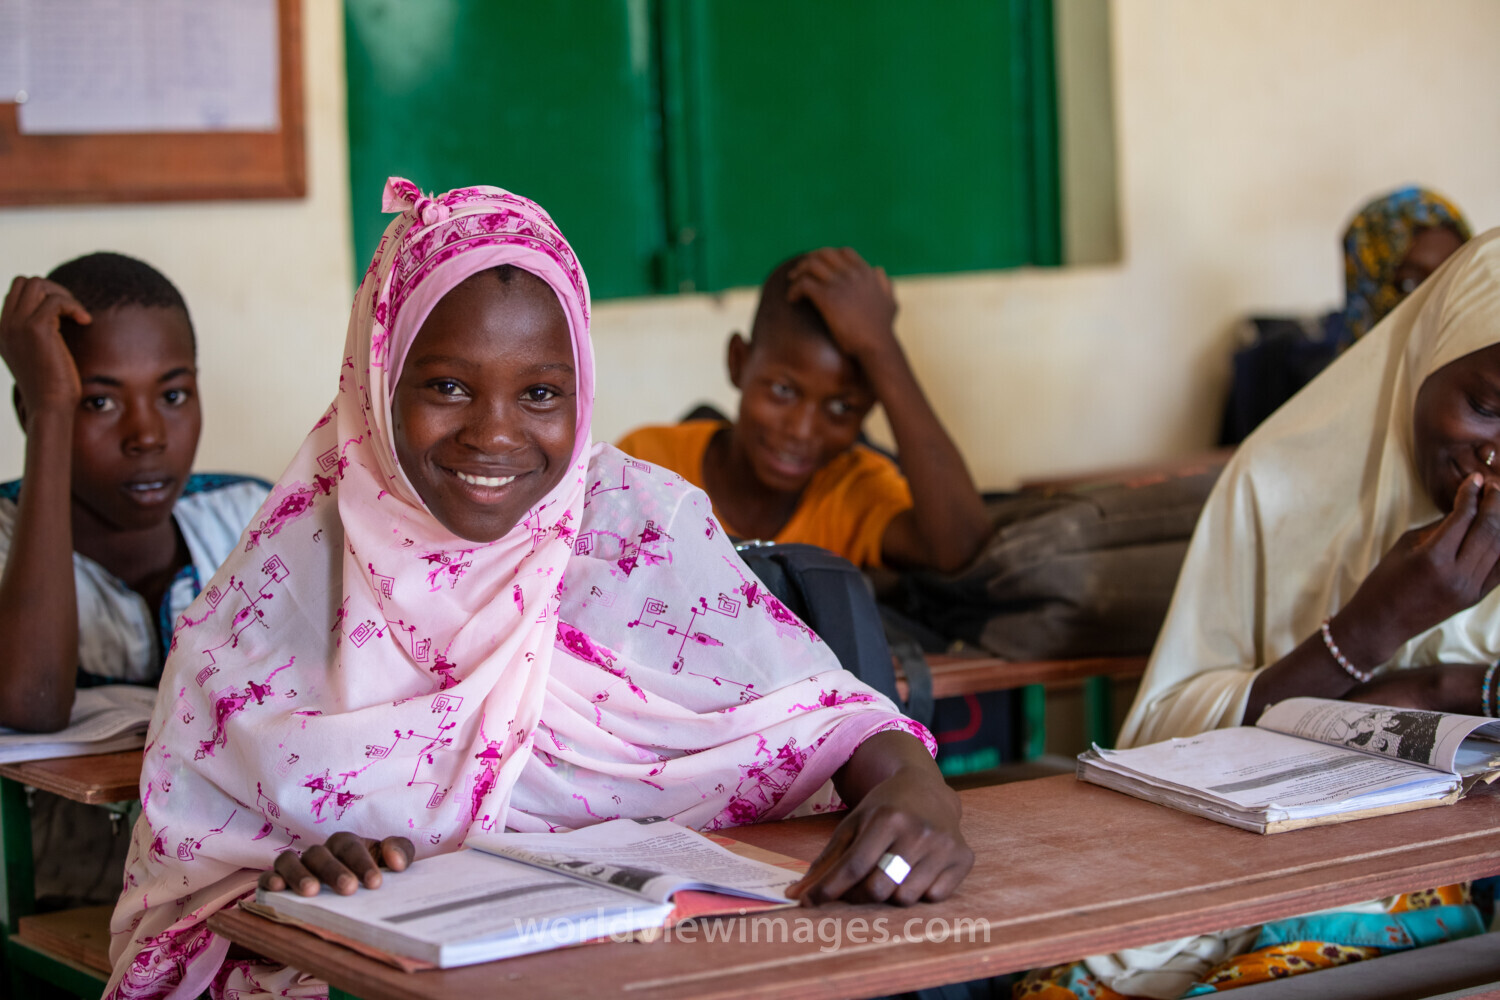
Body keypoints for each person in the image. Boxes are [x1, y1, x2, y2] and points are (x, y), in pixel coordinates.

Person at [105, 180, 971, 1000]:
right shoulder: (280, 584)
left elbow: (818, 713)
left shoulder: (636, 528)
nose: (494, 434)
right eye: (447, 386)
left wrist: (912, 783)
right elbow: (193, 886)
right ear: (377, 380)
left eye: (542, 393)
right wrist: (284, 883)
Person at [1018, 228, 1500, 999]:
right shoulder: (1274, 487)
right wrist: (1374, 628)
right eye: (1486, 407)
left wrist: (1436, 689)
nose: (1495, 461)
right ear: (1424, 355)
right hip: (1255, 865)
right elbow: (1158, 745)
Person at [0, 253, 269, 909]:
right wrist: (52, 414)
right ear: (33, 407)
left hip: (232, 888)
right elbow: (29, 706)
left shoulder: (254, 518)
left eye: (173, 395)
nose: (147, 435)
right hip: (53, 902)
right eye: (97, 401)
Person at [616, 247, 989, 573]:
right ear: (738, 362)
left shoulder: (853, 489)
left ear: (871, 407)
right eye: (783, 391)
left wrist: (882, 347)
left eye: (842, 407)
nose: (802, 430)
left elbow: (961, 547)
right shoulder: (647, 463)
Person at [1220, 186, 1473, 444]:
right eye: (1410, 284)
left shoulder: (1479, 380)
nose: (1435, 299)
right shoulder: (1313, 396)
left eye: (1451, 278)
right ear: (1367, 286)